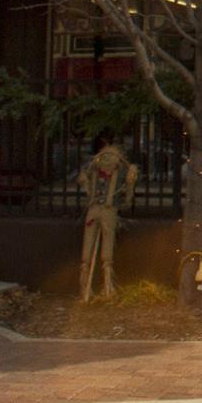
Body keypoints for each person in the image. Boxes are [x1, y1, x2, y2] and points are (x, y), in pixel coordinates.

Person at [75, 129, 138, 301]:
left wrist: (130, 182)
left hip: (108, 211)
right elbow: (84, 180)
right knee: (88, 248)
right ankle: (86, 288)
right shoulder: (94, 168)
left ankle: (107, 287)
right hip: (95, 209)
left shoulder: (120, 172)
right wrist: (85, 184)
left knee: (107, 248)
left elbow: (127, 195)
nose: (107, 161)